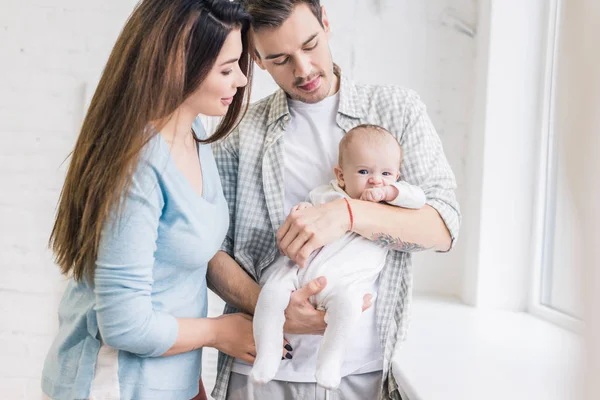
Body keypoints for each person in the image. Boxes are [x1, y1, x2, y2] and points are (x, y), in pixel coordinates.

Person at [207, 0, 462, 399]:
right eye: (280, 59)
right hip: (260, 374)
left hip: (363, 372)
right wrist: (270, 308)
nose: (304, 70)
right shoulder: (239, 131)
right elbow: (209, 252)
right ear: (255, 58)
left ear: (326, 23)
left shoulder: (398, 111)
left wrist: (347, 212)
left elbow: (443, 227)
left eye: (310, 45)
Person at [40, 1, 263, 399]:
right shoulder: (138, 165)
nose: (242, 80)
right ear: (179, 63)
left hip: (170, 375)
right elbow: (124, 325)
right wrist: (216, 332)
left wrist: (269, 303)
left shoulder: (192, 127)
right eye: (227, 69)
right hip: (118, 384)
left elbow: (190, 255)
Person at [250, 125, 426, 390]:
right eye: (364, 172)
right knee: (271, 293)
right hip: (301, 272)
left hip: (346, 282)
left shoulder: (392, 204)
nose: (376, 180)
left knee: (348, 308)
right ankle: (267, 351)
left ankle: (330, 359)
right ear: (341, 175)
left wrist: (390, 193)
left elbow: (419, 198)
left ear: (396, 176)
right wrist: (304, 210)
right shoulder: (328, 194)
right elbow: (310, 211)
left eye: (386, 173)